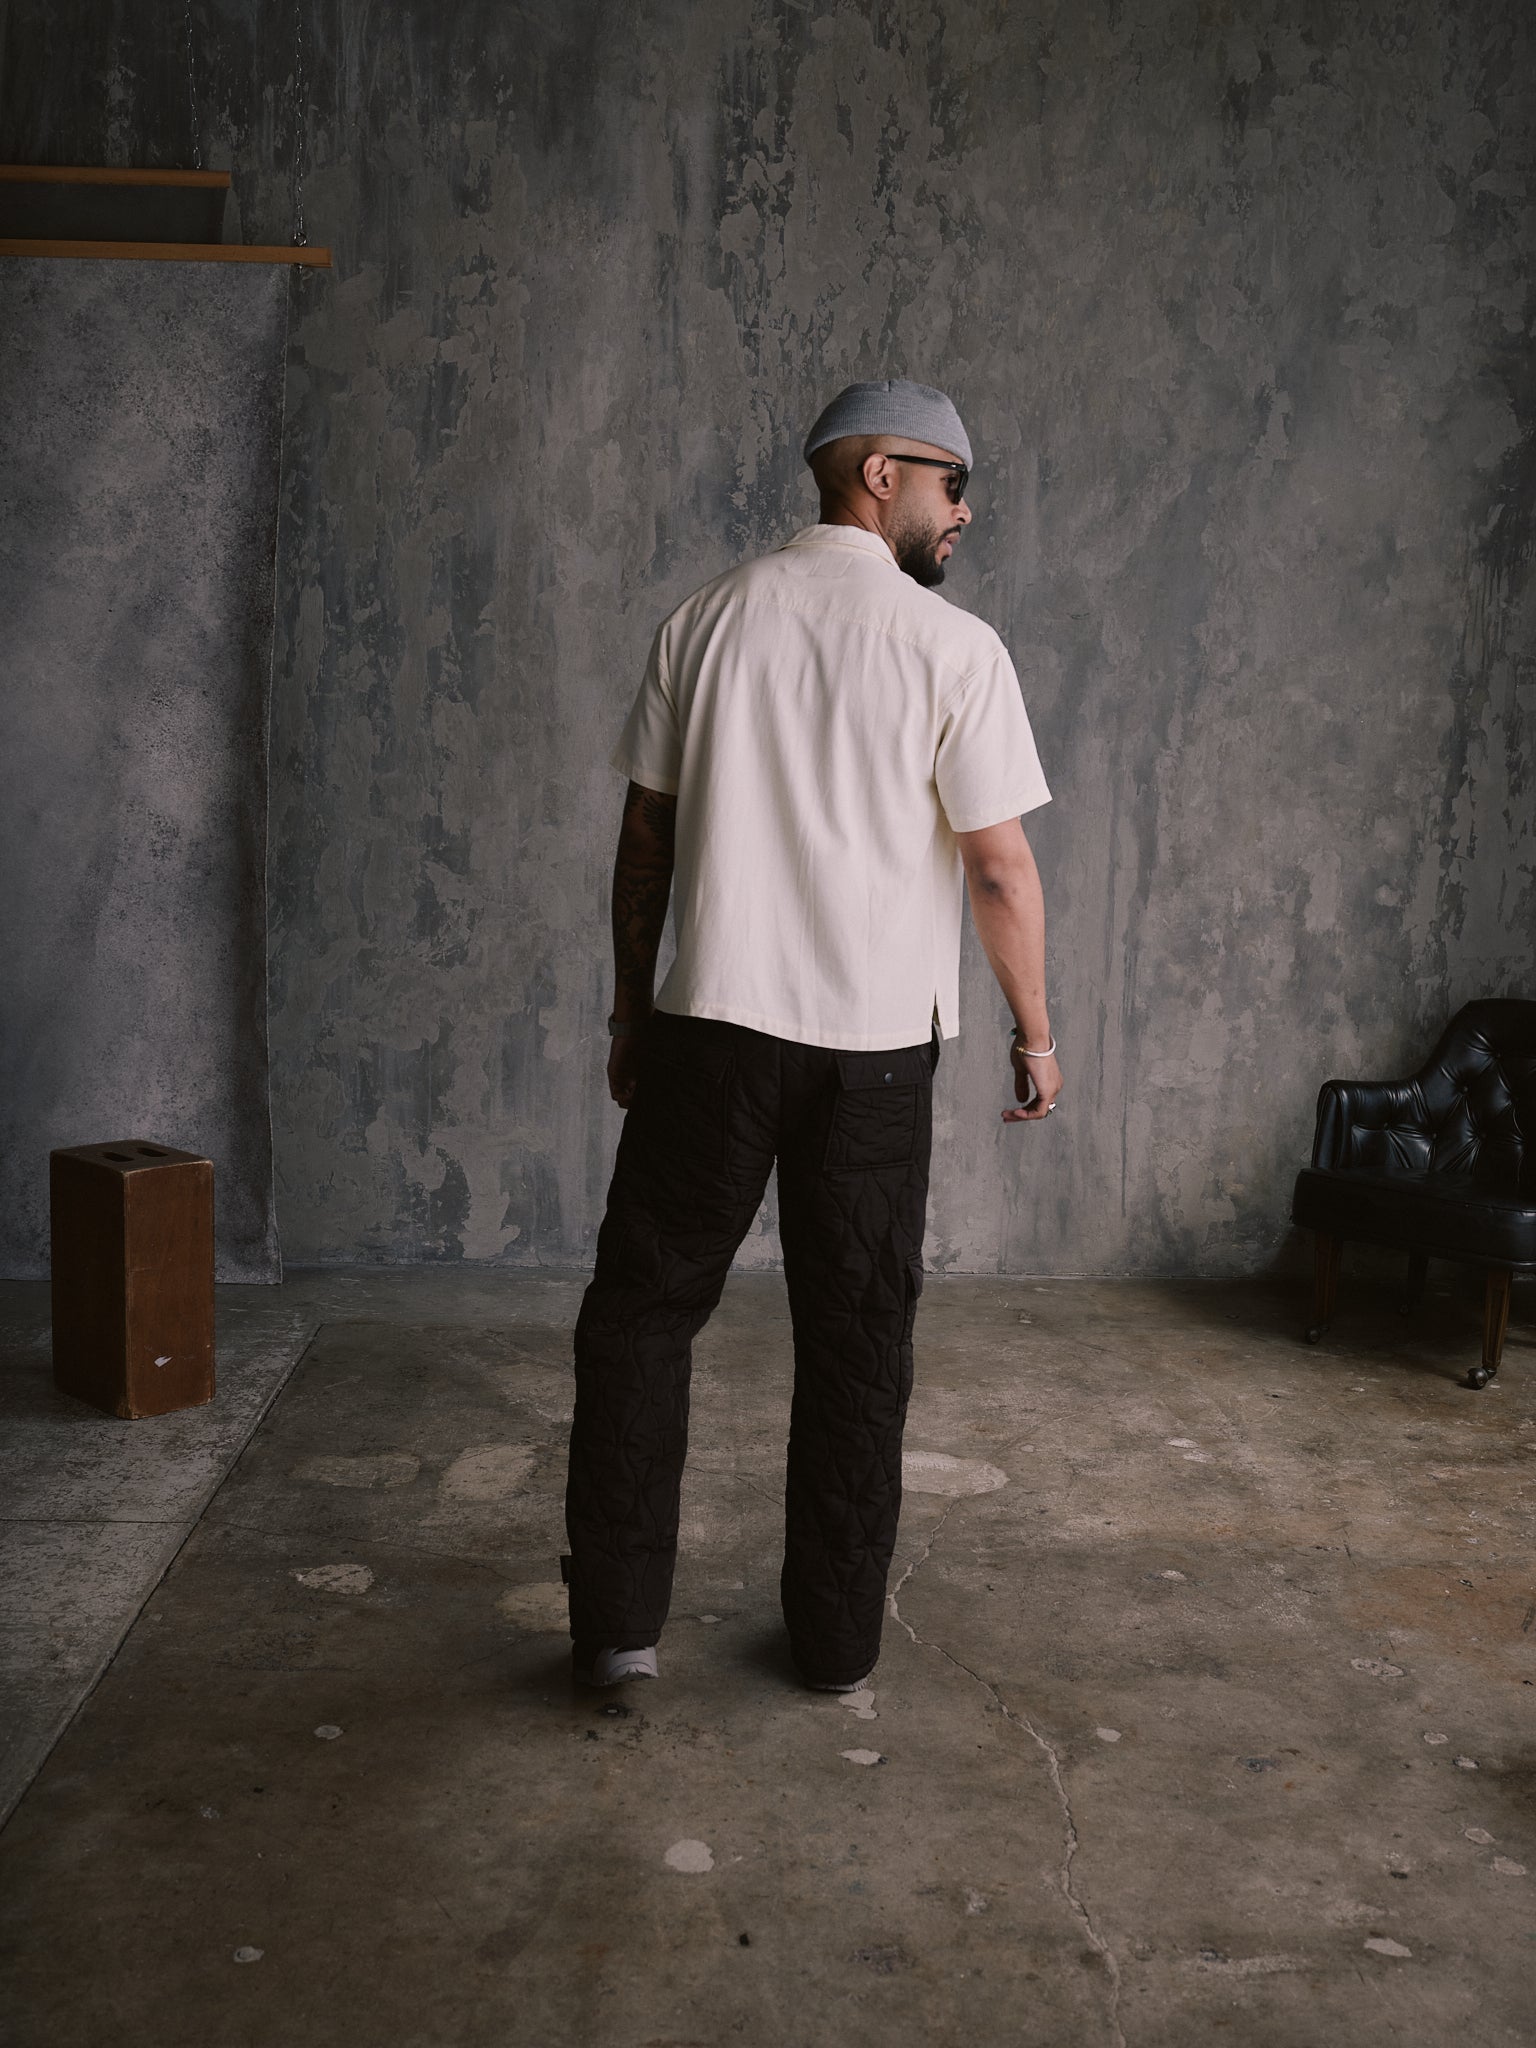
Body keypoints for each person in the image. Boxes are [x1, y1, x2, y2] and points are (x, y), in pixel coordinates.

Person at [562, 378, 1061, 1692]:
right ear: (881, 474)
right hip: (875, 1059)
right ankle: (836, 1649)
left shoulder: (704, 622)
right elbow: (1000, 868)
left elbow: (645, 843)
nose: (966, 512)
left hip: (710, 1036)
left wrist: (630, 1009)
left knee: (641, 1317)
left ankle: (617, 1633)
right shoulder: (956, 649)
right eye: (953, 484)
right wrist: (1037, 1034)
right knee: (857, 1339)